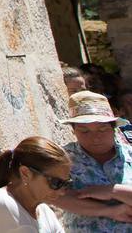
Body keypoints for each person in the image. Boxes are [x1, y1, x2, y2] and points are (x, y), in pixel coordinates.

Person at [50, 90, 132, 230]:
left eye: (102, 129)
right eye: (85, 131)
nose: (95, 138)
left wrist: (113, 191)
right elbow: (54, 196)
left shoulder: (130, 154)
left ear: (114, 128)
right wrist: (111, 211)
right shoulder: (62, 159)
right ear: (73, 131)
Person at [0, 136, 71, 232]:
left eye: (65, 184)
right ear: (25, 173)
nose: (62, 192)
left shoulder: (44, 212)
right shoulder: (2, 203)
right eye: (56, 182)